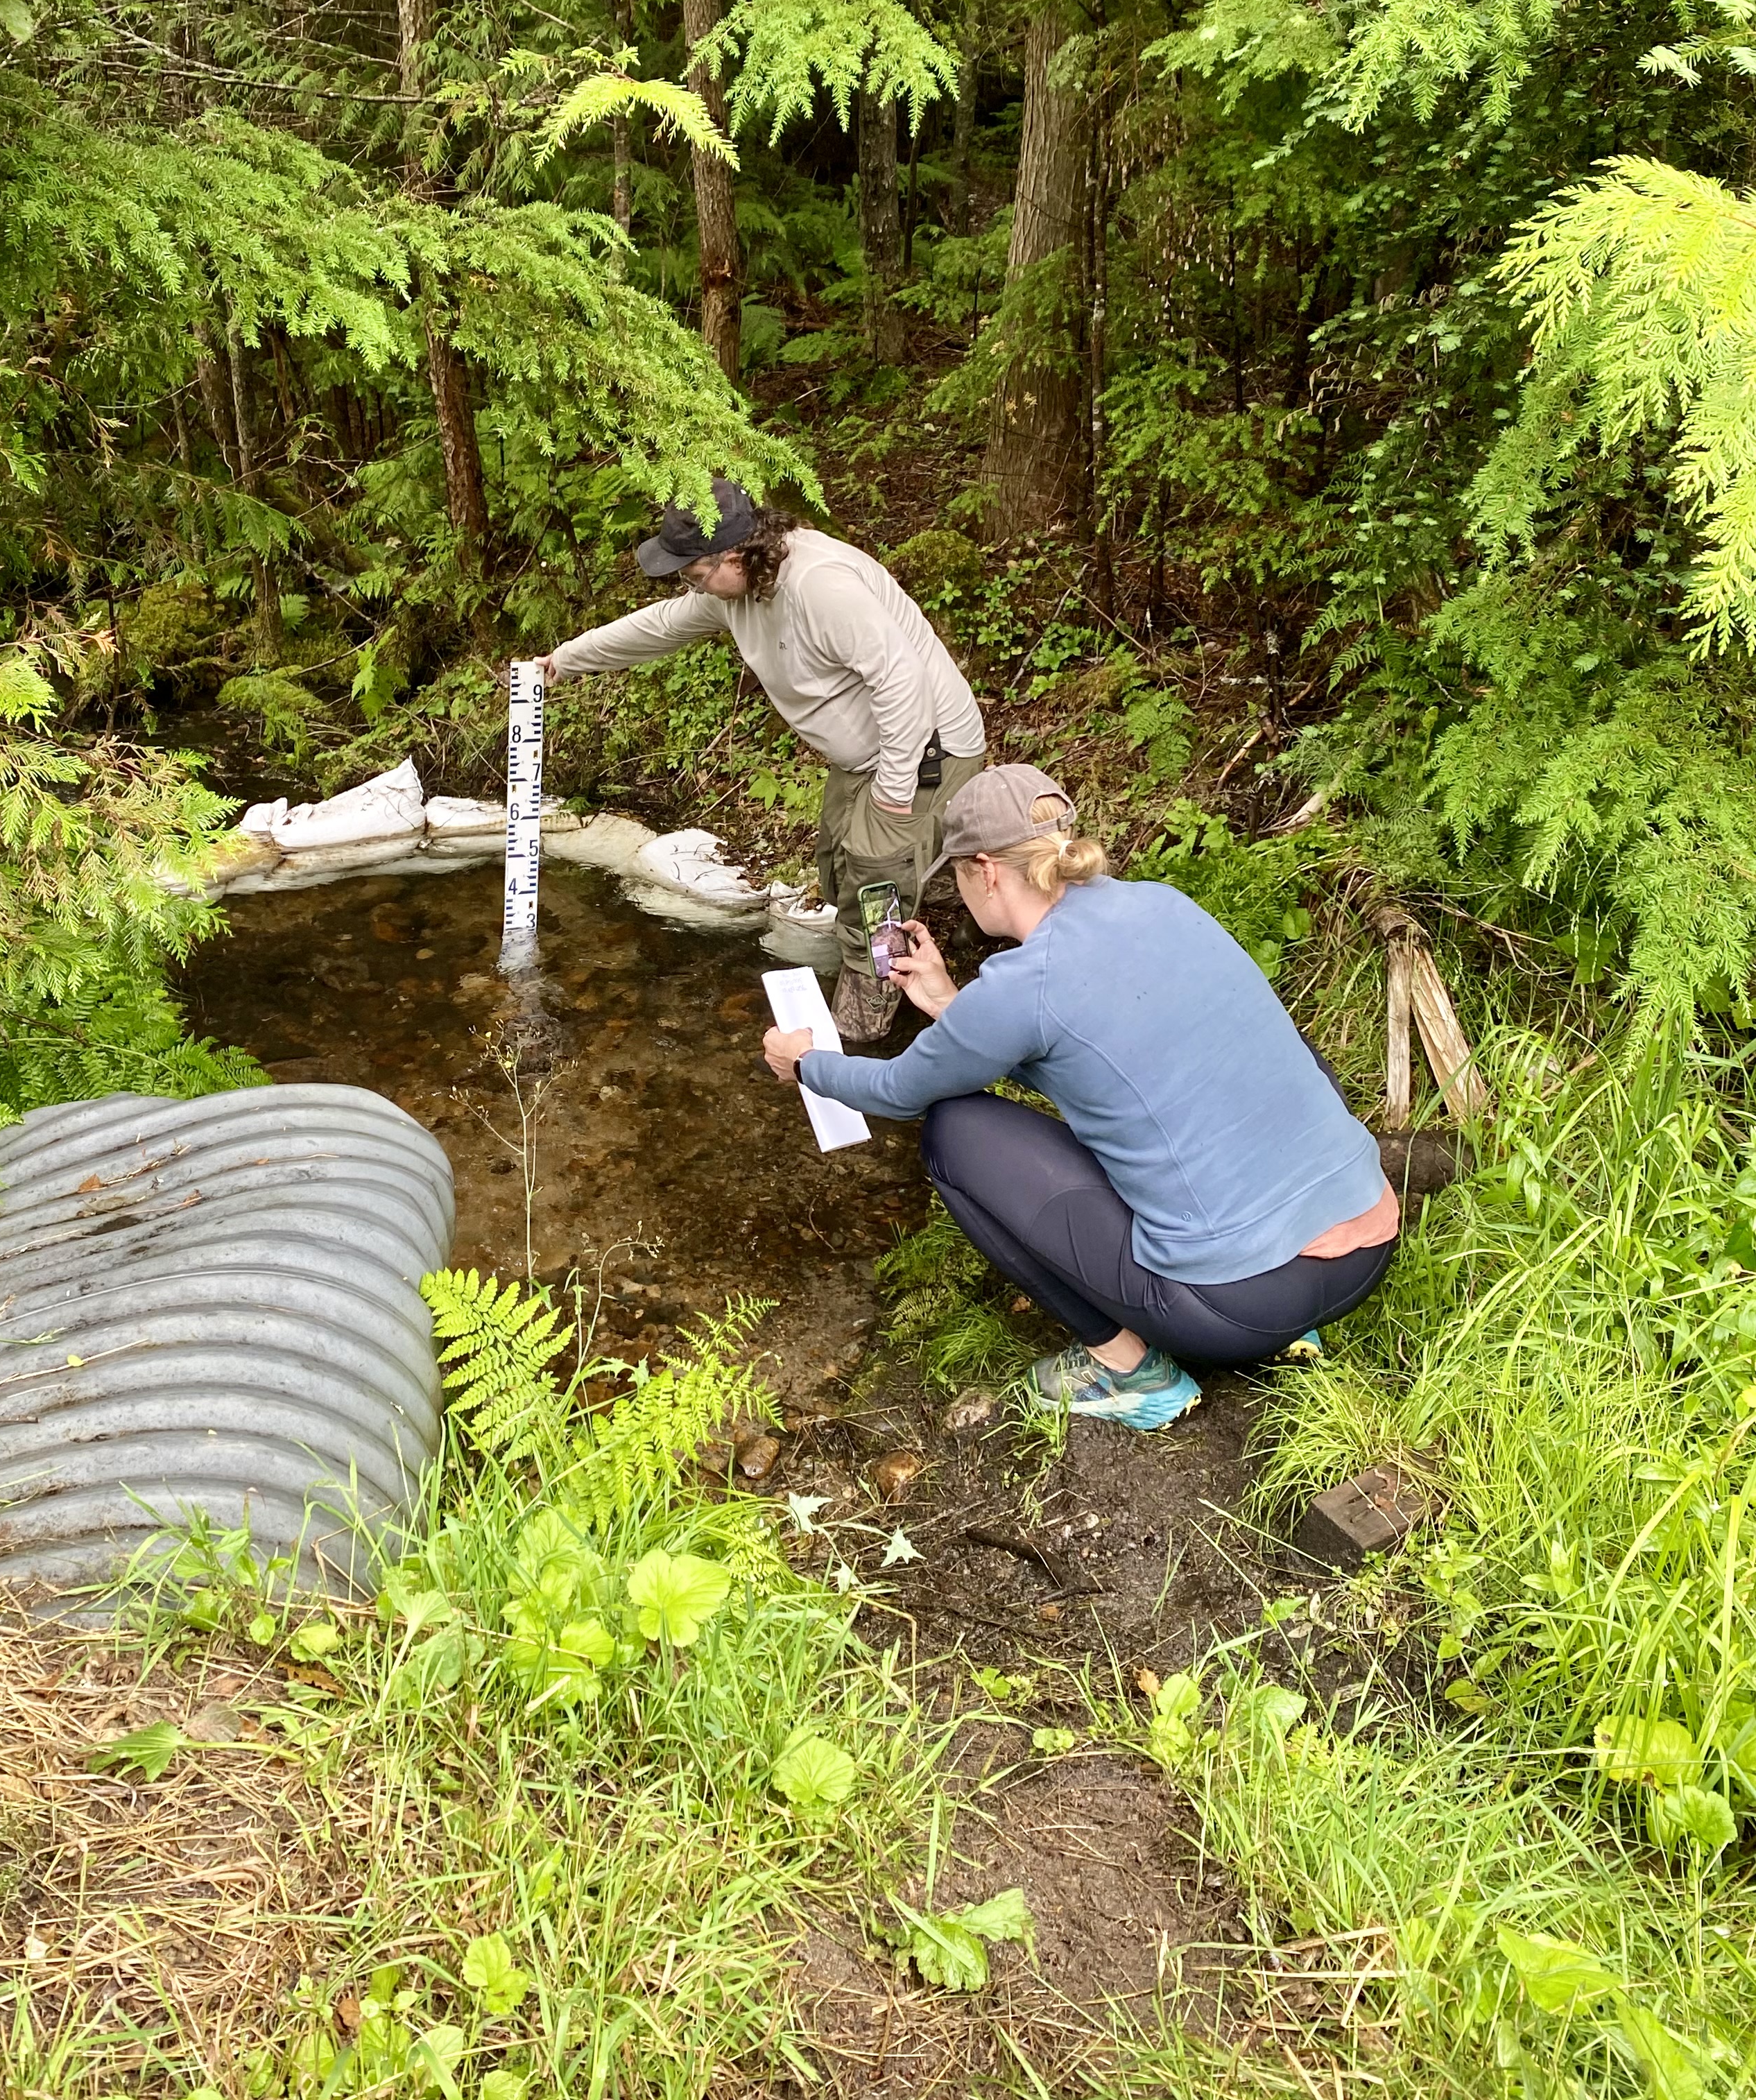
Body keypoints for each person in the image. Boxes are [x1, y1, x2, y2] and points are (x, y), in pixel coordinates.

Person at [761, 764, 1400, 1431]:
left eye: (956, 873)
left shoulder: (1022, 985)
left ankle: (1129, 1371)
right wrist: (951, 1003)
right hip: (1366, 1249)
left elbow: (896, 1091)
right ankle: (1298, 1334)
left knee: (955, 1130)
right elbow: (1094, 1053)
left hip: (1240, 1308)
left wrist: (806, 1061)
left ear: (986, 871)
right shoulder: (1161, 903)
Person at [539, 480, 985, 1040]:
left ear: (733, 554)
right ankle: (965, 900)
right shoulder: (741, 587)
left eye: (693, 573)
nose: (689, 585)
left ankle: (865, 1022)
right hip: (869, 754)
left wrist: (896, 792)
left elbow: (902, 683)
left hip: (926, 746)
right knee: (836, 862)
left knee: (874, 884)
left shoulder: (821, 586)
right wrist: (568, 659)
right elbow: (659, 626)